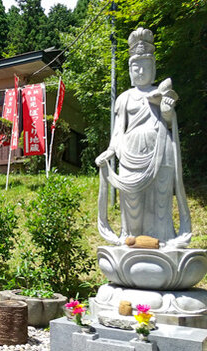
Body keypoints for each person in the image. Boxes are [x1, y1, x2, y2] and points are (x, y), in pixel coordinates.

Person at [95, 27, 191, 248]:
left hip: (160, 150)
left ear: (154, 69)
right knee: (132, 203)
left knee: (160, 202)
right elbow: (118, 130)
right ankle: (131, 240)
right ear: (129, 71)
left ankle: (163, 240)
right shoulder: (124, 98)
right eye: (135, 67)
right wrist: (109, 152)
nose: (140, 71)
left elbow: (169, 124)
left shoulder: (160, 94)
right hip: (130, 154)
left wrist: (168, 112)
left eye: (145, 66)